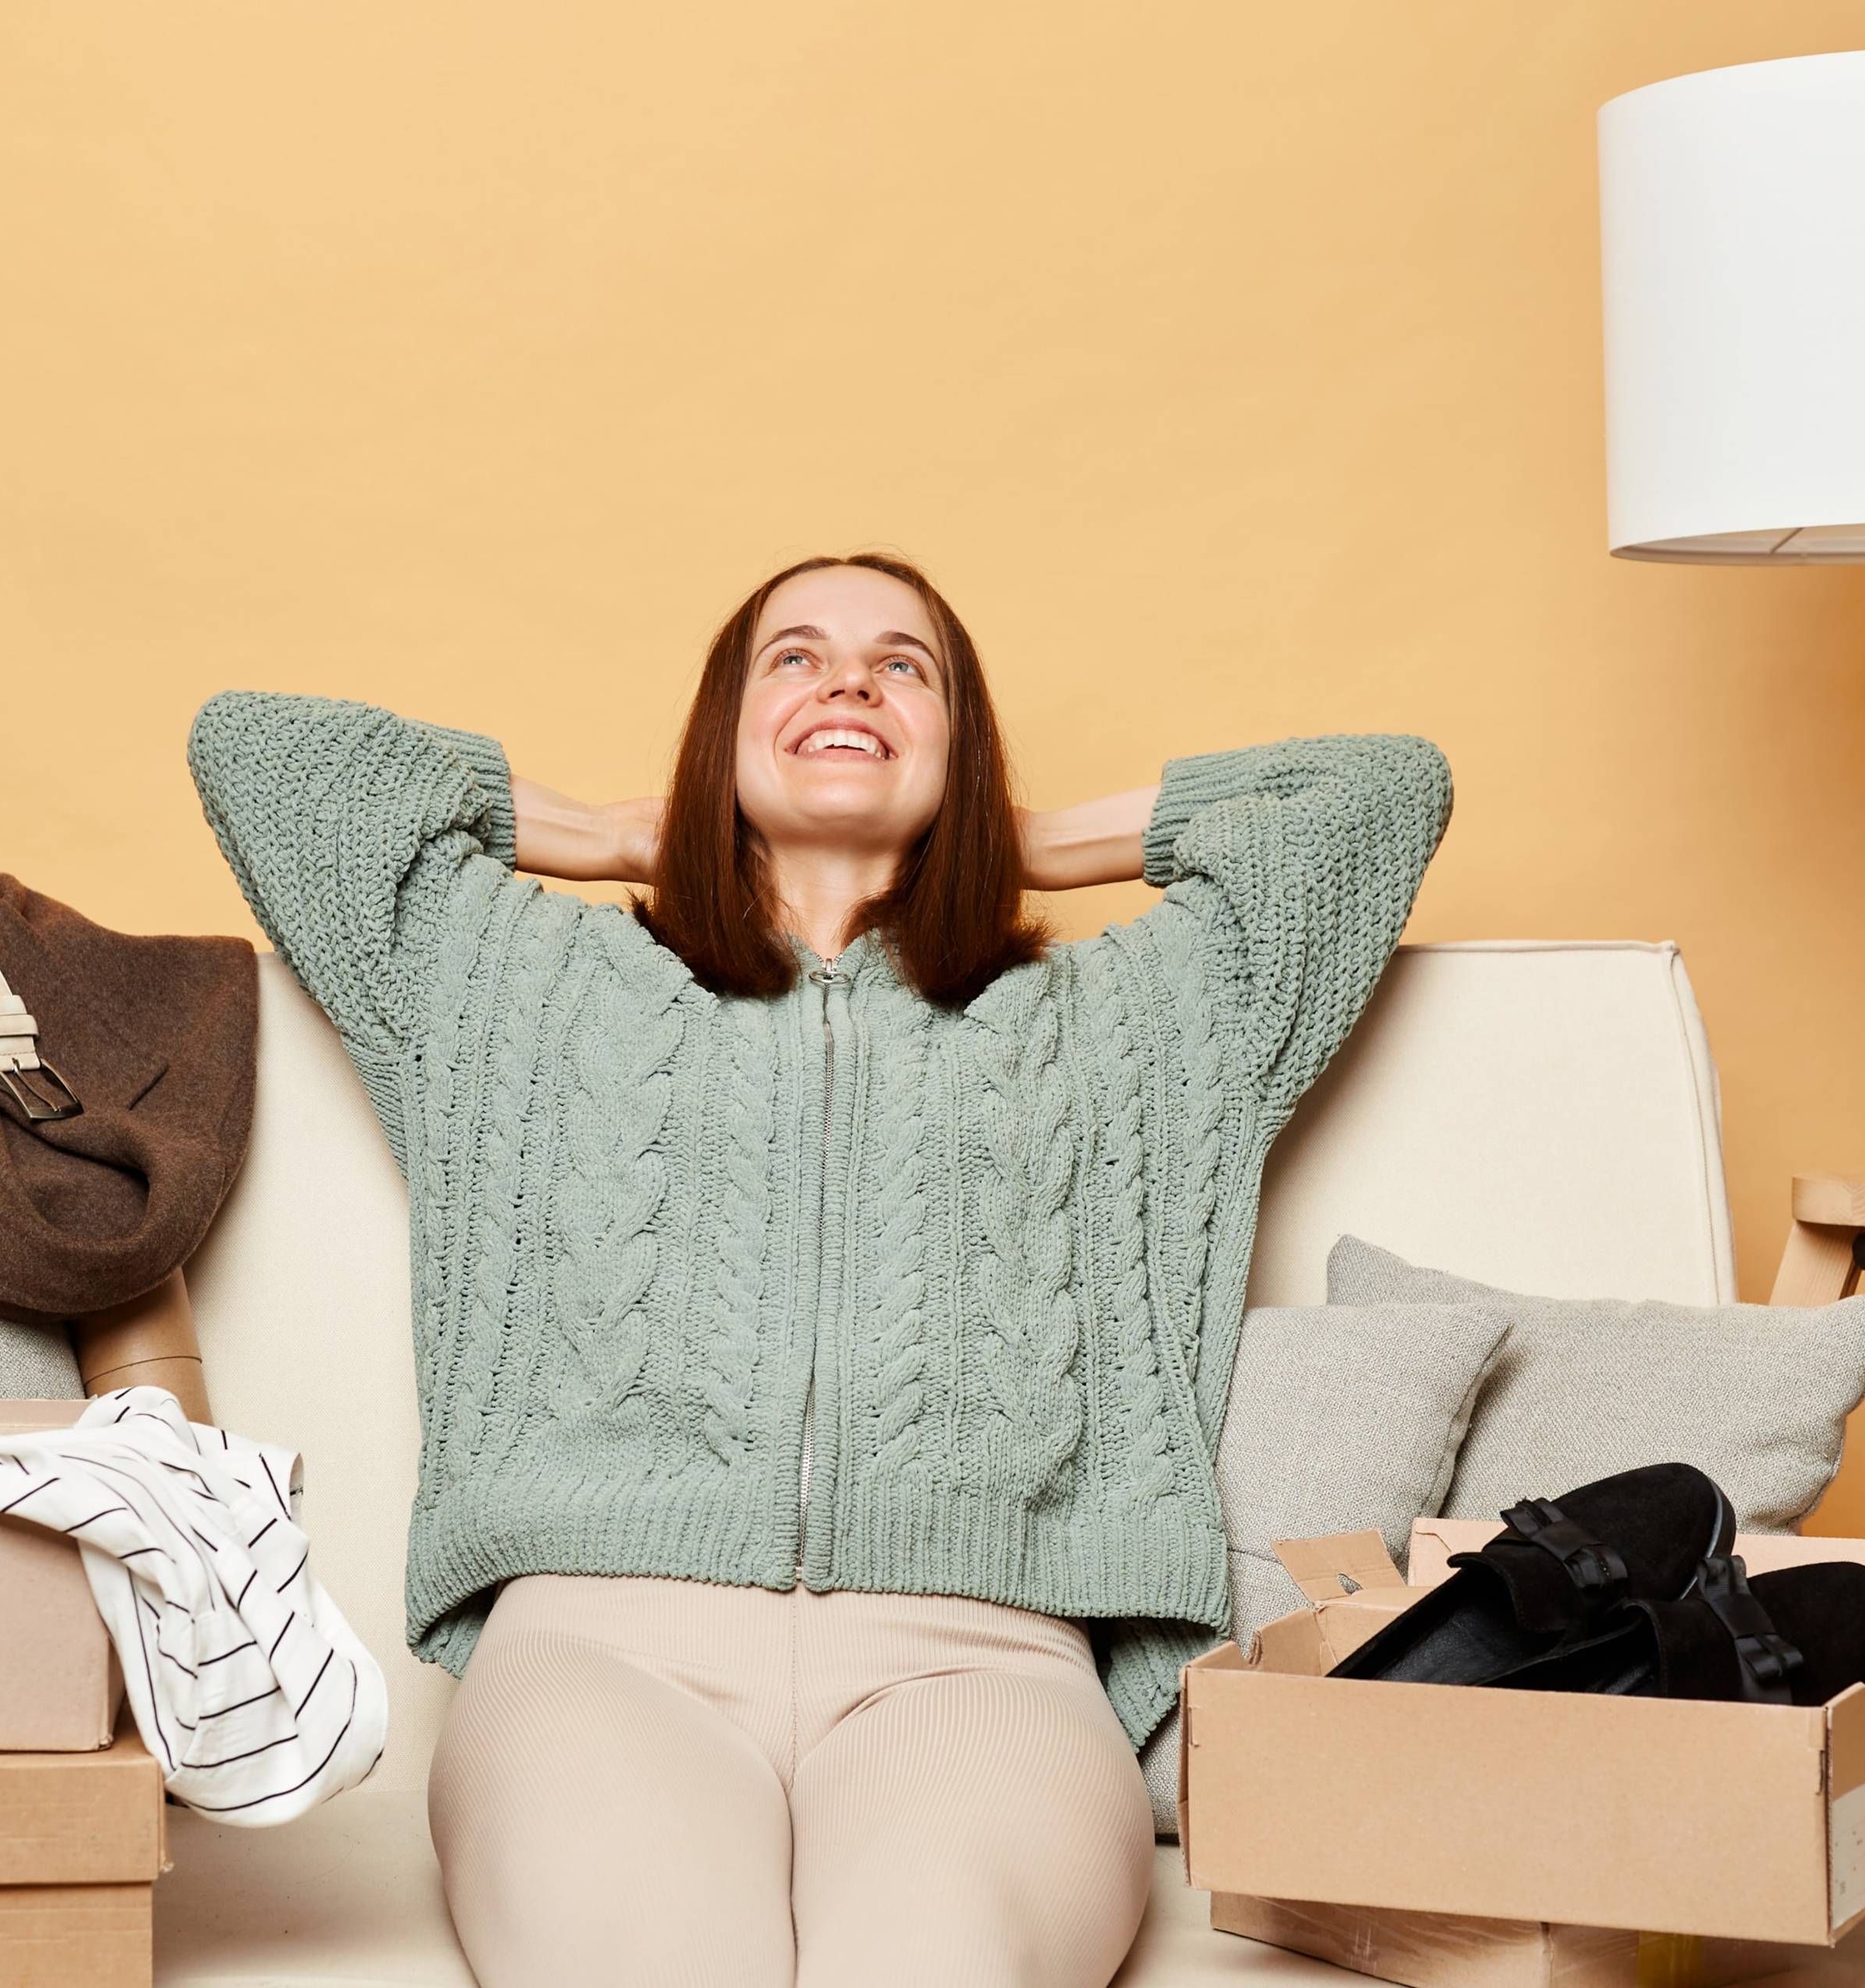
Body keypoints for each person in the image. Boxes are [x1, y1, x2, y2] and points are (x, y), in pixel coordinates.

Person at [186, 552, 1451, 1988]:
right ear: (718, 731)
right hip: (601, 1653)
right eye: (792, 658)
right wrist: (610, 834)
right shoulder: (513, 977)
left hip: (984, 1668)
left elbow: (1380, 797)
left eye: (905, 667)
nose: (849, 679)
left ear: (962, 747)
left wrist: (1029, 841)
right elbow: (266, 757)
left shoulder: (1139, 1016)